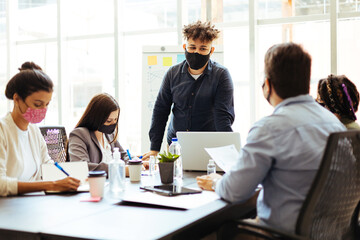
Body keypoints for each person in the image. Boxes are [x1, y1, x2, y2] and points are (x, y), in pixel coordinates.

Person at [196, 43, 346, 235]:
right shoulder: (333, 123)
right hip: (331, 233)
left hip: (282, 234)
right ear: (307, 84)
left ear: (267, 85)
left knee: (217, 232)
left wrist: (217, 182)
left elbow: (234, 191)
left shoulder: (269, 128)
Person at [143, 20, 235, 159]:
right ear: (185, 47)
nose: (196, 52)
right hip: (176, 146)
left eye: (203, 49)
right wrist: (154, 148)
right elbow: (160, 110)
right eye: (192, 47)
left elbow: (222, 116)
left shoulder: (221, 75)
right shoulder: (172, 74)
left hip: (209, 146)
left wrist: (229, 152)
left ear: (211, 51)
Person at [0, 62, 80, 197]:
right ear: (17, 99)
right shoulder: (3, 130)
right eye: (37, 104)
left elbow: (46, 164)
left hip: (31, 204)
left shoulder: (33, 131)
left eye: (47, 104)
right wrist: (52, 185)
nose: (43, 110)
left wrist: (80, 177)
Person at [68, 93, 130, 174]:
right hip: (94, 184)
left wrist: (136, 164)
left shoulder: (109, 135)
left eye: (115, 120)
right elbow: (81, 166)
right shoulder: (79, 135)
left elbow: (123, 155)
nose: (113, 124)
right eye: (109, 121)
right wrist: (118, 170)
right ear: (96, 118)